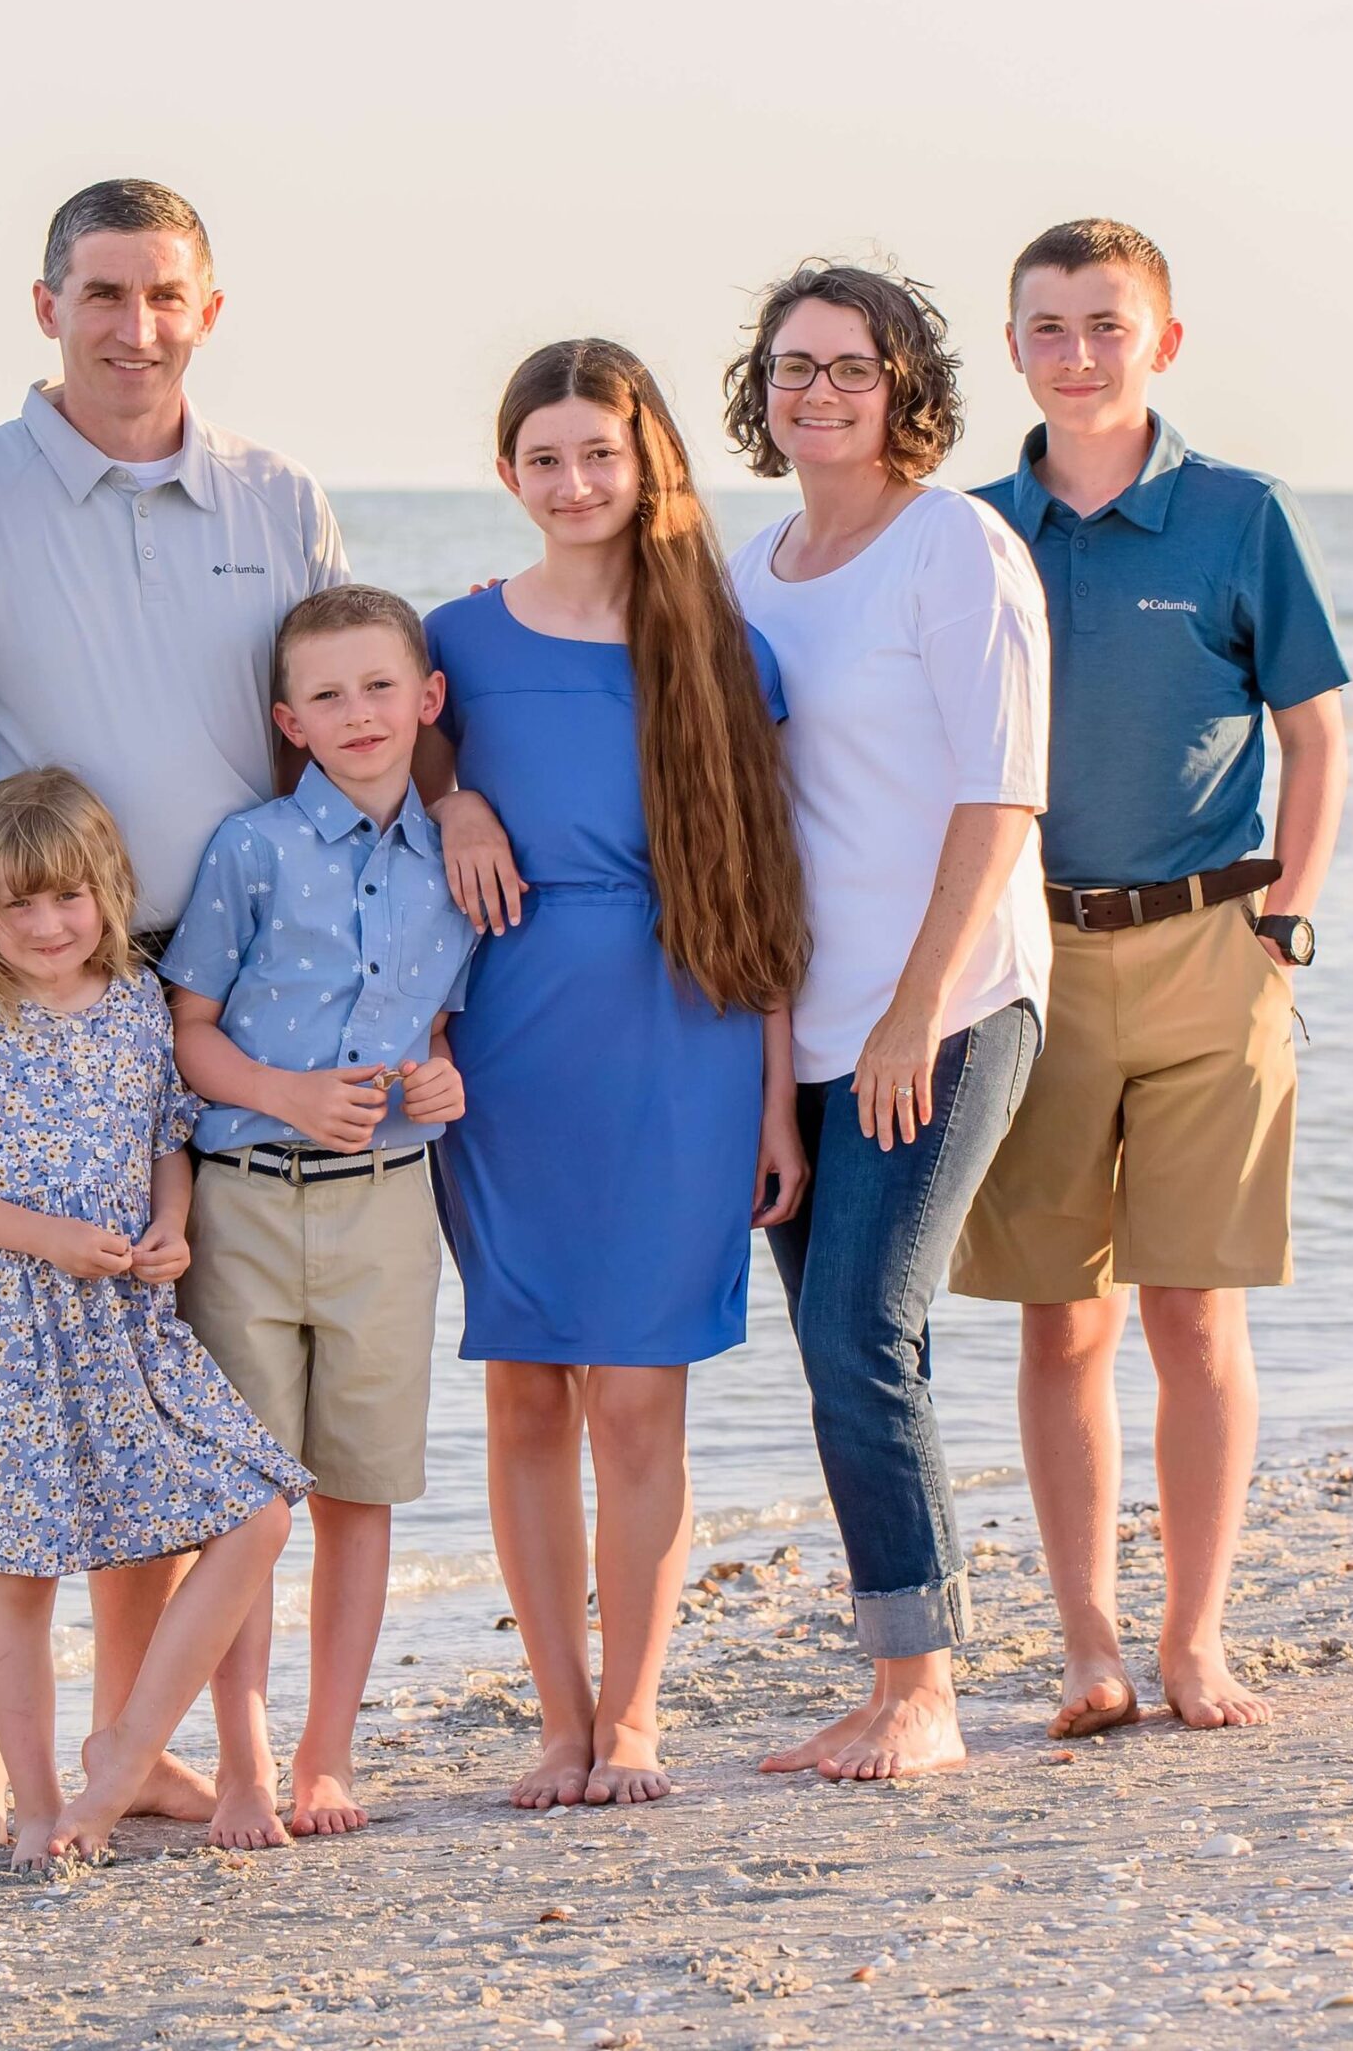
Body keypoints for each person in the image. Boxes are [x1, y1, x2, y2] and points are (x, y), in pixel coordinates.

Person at [0, 178, 349, 1844]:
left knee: (152, 1363)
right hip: (28, 978)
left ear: (205, 312)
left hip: (220, 993)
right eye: (101, 292)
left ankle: (127, 1740)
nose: (132, 326)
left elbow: (339, 719)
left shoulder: (281, 495)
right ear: (44, 307)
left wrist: (445, 808)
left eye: (163, 295)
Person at [951, 218, 1349, 1738]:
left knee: (1196, 1317)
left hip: (1211, 947)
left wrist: (1288, 921)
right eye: (1047, 327)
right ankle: (1087, 1645)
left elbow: (1311, 732)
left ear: (1161, 344)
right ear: (1013, 349)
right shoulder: (974, 530)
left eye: (1107, 326)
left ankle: (1195, 1640)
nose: (1077, 353)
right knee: (1061, 1320)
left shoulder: (1240, 516)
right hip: (1032, 955)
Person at [421, 341, 807, 1810]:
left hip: (686, 1038)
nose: (574, 483)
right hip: (510, 1043)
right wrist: (454, 798)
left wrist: (774, 1101)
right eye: (544, 458)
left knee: (641, 1396)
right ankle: (556, 1721)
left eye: (600, 453)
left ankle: (635, 1717)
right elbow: (368, 776)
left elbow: (769, 898)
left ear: (648, 460)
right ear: (508, 473)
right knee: (523, 1388)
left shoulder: (721, 644)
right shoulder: (458, 639)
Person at [0, 770, 307, 1864]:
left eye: (68, 899)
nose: (47, 927)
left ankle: (129, 1751)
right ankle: (40, 1806)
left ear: (108, 889)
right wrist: (45, 1236)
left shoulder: (139, 1001)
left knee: (259, 1510)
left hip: (123, 1324)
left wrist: (174, 1228)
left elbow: (165, 1141)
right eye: (17, 906)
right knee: (21, 1571)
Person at [724, 262, 1050, 1782]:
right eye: (795, 368)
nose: (820, 392)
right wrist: (779, 1076)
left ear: (906, 383)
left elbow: (1000, 797)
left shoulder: (957, 547)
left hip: (954, 1001)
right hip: (807, 1019)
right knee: (830, 1340)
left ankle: (924, 1691)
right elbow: (753, 826)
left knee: (868, 1326)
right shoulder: (753, 567)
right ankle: (886, 1673)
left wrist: (916, 1011)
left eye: (852, 367)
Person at [161, 585, 476, 1849]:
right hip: (245, 1208)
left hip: (390, 1217)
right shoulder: (251, 850)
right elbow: (185, 1034)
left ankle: (324, 1752)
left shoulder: (454, 866)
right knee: (246, 1504)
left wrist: (442, 1077)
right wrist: (285, 1092)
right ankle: (238, 1762)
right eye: (329, 696)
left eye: (381, 688)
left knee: (359, 1492)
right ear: (290, 721)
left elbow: (439, 1024)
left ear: (427, 702)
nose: (359, 715)